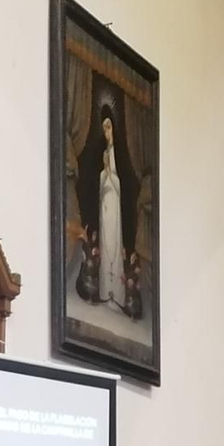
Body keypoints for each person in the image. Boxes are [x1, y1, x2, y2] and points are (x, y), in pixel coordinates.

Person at [96, 108, 127, 309]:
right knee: (105, 244)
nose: (106, 132)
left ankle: (117, 294)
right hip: (105, 208)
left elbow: (119, 184)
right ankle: (105, 290)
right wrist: (104, 174)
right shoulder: (105, 158)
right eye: (104, 129)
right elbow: (101, 188)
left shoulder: (117, 156)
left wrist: (109, 172)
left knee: (114, 244)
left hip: (115, 207)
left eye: (108, 128)